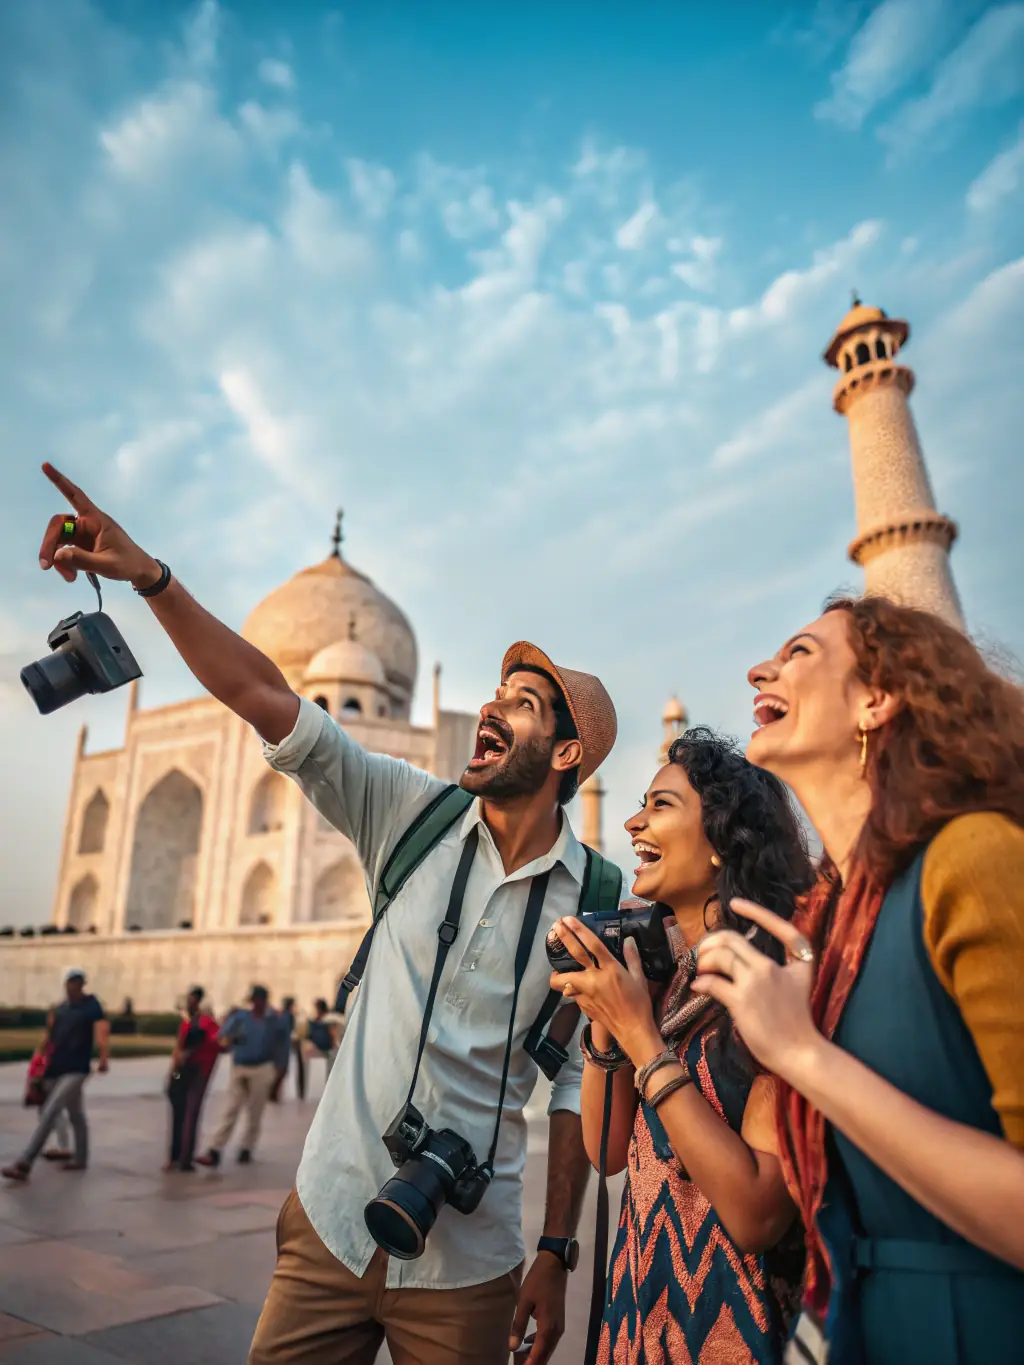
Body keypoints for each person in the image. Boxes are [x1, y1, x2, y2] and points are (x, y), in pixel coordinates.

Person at [37, 460, 620, 1365]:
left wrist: (556, 1248)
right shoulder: (408, 810)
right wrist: (152, 577)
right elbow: (267, 697)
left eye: (524, 705)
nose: (492, 711)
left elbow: (579, 1089)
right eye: (493, 696)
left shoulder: (596, 898)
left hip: (470, 1257)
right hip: (330, 1220)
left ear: (568, 752)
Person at [689, 596, 1024, 1364]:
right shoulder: (828, 923)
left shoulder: (971, 860)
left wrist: (802, 1054)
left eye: (801, 652)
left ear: (877, 699)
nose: (760, 669)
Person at [549, 728, 812, 1363]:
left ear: (722, 839)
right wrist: (607, 1017)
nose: (634, 821)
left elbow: (755, 1214)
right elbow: (607, 1151)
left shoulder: (772, 976)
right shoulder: (667, 981)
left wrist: (640, 1037)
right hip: (640, 1311)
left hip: (732, 1326)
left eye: (661, 805)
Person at [2, 967, 109, 1181]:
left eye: (76, 982)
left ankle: (25, 1162)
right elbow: (48, 1037)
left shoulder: (91, 1005)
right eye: (70, 982)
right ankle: (80, 1159)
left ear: (82, 984)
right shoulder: (60, 1009)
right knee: (76, 1114)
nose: (72, 986)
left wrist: (104, 1055)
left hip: (76, 1069)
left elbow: (101, 1029)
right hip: (56, 1068)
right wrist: (38, 1062)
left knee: (51, 1110)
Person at [197, 985, 281, 1166]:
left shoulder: (272, 1020)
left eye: (258, 1000)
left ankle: (246, 1147)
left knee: (254, 1112)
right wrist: (230, 1038)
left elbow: (281, 1045)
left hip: (262, 1068)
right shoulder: (241, 1017)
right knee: (230, 1109)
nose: (255, 1003)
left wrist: (279, 1075)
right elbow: (222, 1037)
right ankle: (215, 1149)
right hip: (240, 1067)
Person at [165, 985, 221, 1172]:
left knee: (187, 1115)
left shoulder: (205, 1023)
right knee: (185, 1114)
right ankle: (178, 1158)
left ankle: (181, 1159)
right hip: (188, 1072)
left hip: (197, 1072)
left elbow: (213, 1044)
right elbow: (179, 1050)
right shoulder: (189, 1023)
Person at [303, 998, 340, 1088]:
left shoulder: (328, 1019)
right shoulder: (317, 1020)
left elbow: (333, 1034)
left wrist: (333, 1046)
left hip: (330, 1050)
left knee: (330, 1071)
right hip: (320, 1050)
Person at [269, 996, 299, 1103]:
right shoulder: (286, 1016)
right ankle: (272, 1094)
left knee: (281, 1071)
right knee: (281, 1071)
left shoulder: (284, 1015)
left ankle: (273, 1094)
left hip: (283, 1046)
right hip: (281, 1047)